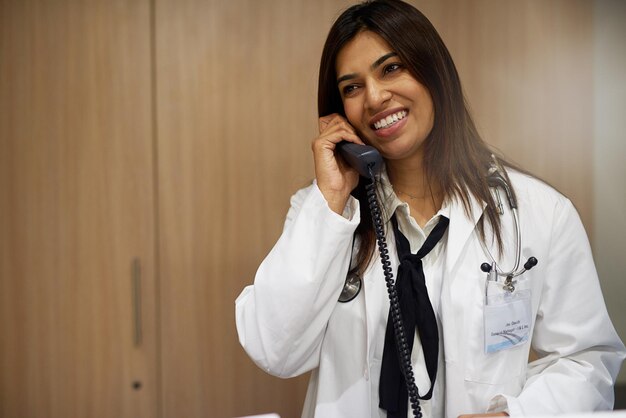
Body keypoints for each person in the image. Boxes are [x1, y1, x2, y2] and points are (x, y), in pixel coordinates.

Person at [235, 0, 625, 417]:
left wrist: (518, 414)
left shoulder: (539, 213)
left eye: (391, 68)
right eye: (351, 87)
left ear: (434, 73)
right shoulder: (325, 216)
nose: (374, 97)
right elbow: (274, 350)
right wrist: (330, 200)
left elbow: (587, 361)